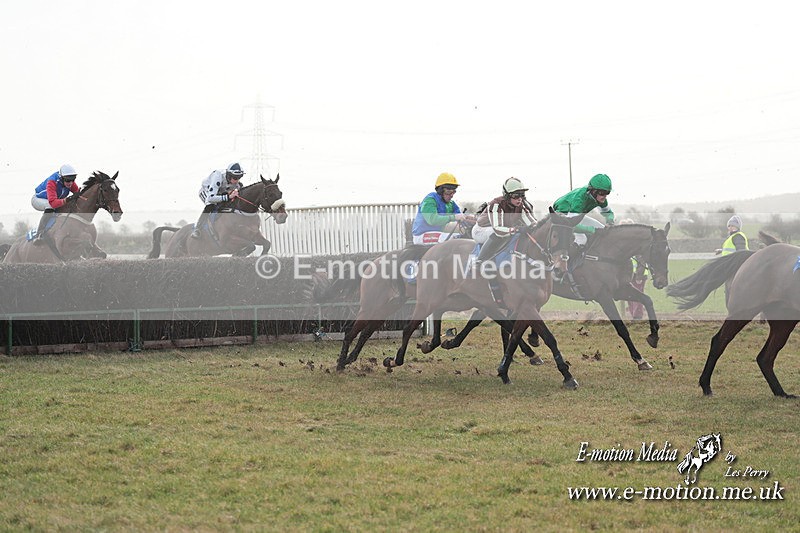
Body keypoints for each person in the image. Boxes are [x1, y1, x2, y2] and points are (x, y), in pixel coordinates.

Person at [473, 177, 536, 262]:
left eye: (522, 195)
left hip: (501, 229)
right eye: (516, 196)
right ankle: (480, 261)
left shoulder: (520, 205)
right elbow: (497, 230)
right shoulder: (496, 204)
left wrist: (537, 227)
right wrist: (517, 229)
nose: (519, 199)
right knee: (499, 234)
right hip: (481, 230)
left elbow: (532, 223)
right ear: (507, 196)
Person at [411, 172, 475, 245]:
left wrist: (468, 218)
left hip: (437, 234)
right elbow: (432, 220)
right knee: (454, 239)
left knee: (462, 237)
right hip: (421, 236)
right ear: (440, 190)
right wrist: (454, 217)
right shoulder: (430, 201)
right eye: (449, 192)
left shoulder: (451, 203)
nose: (451, 195)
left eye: (453, 192)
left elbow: (460, 216)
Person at [551, 173, 615, 245]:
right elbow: (572, 225)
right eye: (602, 192)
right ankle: (570, 252)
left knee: (604, 230)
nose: (605, 196)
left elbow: (608, 213)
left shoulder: (601, 199)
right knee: (582, 239)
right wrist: (592, 230)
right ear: (593, 191)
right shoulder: (579, 200)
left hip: (575, 215)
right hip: (563, 215)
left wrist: (610, 222)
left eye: (607, 192)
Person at [191, 162, 244, 238]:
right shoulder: (218, 176)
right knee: (211, 205)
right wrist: (228, 197)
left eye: (239, 178)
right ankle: (197, 228)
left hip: (220, 192)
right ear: (229, 176)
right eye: (235, 178)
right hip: (207, 192)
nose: (237, 181)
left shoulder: (237, 183)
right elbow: (211, 198)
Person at [31, 164, 80, 244]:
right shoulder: (52, 181)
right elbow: (53, 203)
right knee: (50, 206)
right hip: (38, 199)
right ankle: (39, 234)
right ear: (61, 178)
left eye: (73, 179)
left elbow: (78, 193)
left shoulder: (69, 182)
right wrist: (67, 199)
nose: (71, 183)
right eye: (68, 180)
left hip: (53, 201)